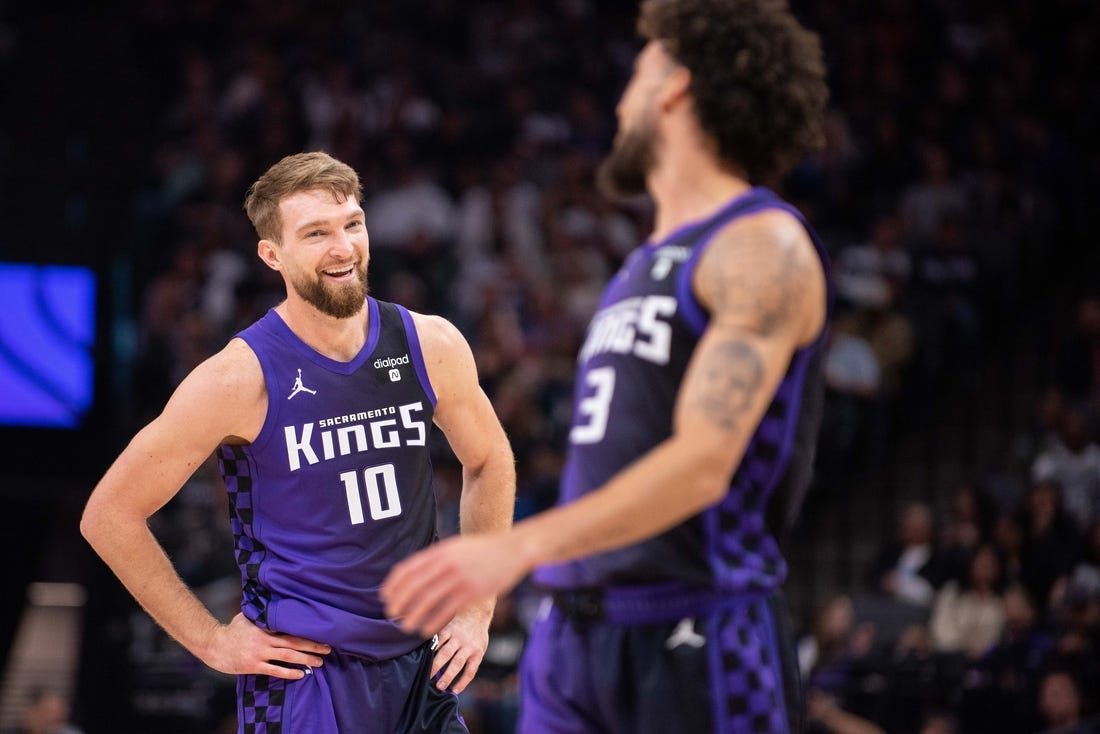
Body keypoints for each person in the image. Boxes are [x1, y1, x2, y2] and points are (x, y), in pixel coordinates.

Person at [382, 0, 830, 731]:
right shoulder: (639, 267)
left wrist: (515, 548)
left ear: (676, 87)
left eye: (637, 73)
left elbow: (706, 460)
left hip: (699, 626)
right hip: (575, 632)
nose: (621, 103)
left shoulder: (761, 244)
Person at [80, 151, 516, 733]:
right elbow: (109, 514)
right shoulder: (238, 378)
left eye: (352, 225)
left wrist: (477, 605)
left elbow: (488, 459)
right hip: (305, 676)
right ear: (272, 254)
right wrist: (210, 641)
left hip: (420, 665)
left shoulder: (429, 342)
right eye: (316, 234)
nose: (342, 248)